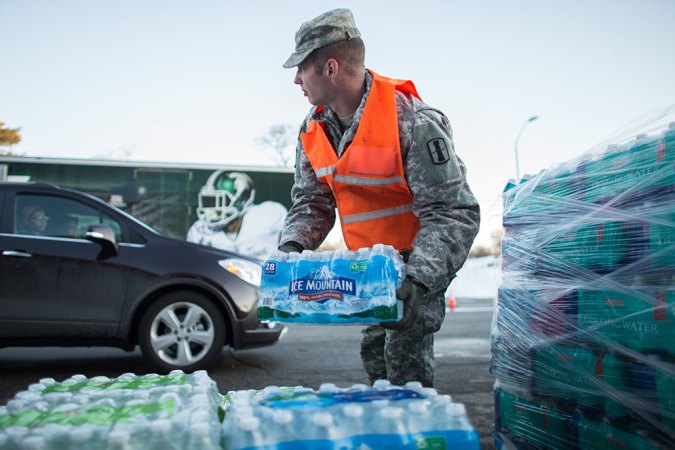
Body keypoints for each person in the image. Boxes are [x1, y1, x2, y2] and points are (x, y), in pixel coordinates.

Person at [278, 9, 480, 387]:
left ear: (331, 68)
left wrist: (418, 283)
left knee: (406, 378)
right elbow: (312, 202)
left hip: (415, 271)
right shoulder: (312, 130)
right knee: (376, 364)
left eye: (302, 68)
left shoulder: (413, 122)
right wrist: (291, 246)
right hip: (366, 273)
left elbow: (453, 213)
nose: (296, 80)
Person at [186, 170, 288, 260]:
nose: (213, 209)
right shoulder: (199, 231)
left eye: (220, 201)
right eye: (210, 202)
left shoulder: (268, 214)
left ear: (241, 200)